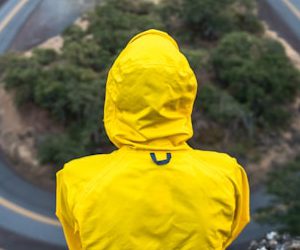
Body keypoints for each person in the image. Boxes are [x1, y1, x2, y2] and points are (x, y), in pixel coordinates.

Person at [56, 29, 250, 250]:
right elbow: (225, 236)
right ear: (186, 97)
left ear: (114, 98)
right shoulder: (228, 175)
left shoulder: (75, 179)